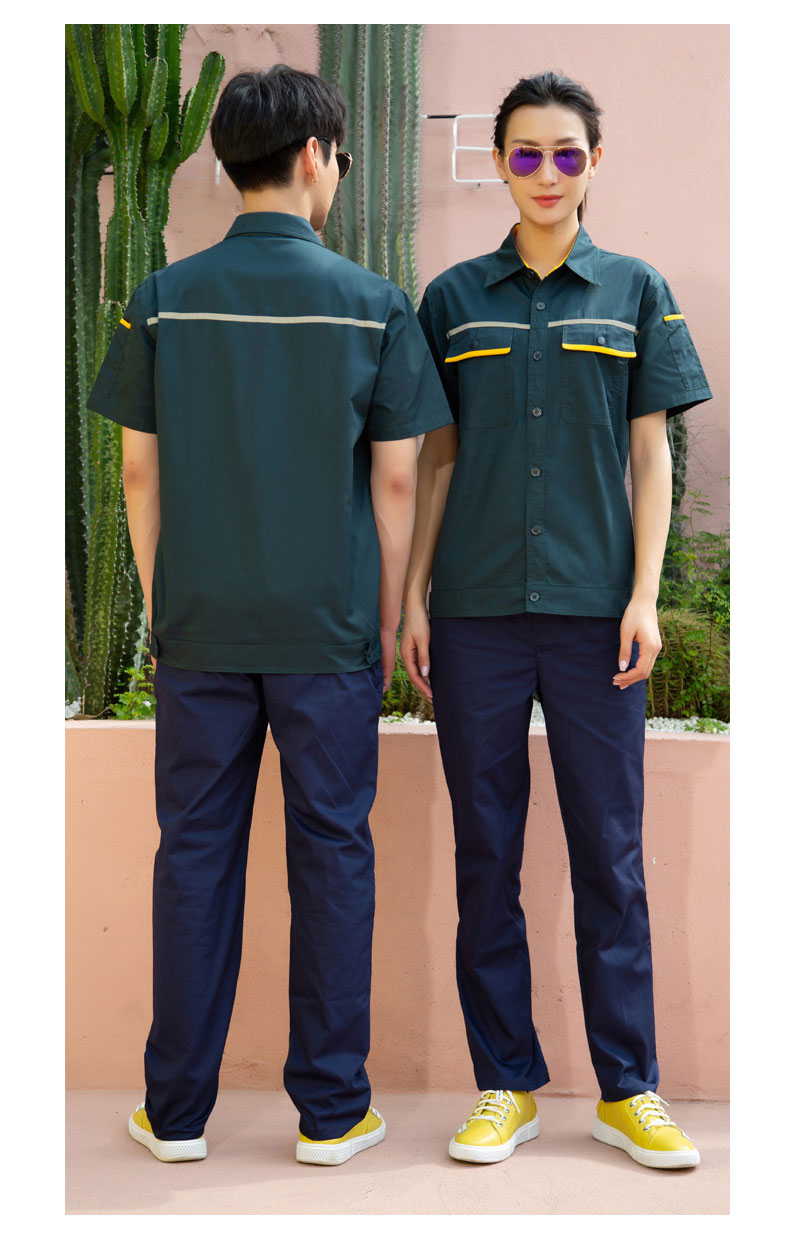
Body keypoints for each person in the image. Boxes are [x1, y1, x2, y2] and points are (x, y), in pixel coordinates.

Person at [86, 63, 453, 1167]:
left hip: (200, 626)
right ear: (313, 157)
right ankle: (332, 1113)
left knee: (194, 855)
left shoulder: (162, 298)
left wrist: (166, 600)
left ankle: (175, 1114)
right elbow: (397, 479)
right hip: (327, 630)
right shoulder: (374, 304)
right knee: (334, 855)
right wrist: (385, 618)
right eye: (339, 158)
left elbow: (137, 475)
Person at [402, 70, 712, 1169]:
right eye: (525, 153)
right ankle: (506, 1084)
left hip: (594, 619)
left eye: (565, 153)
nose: (545, 172)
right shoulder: (452, 299)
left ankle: (629, 1088)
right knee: (486, 853)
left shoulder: (635, 290)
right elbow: (437, 457)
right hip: (475, 615)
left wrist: (644, 597)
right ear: (498, 163)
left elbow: (650, 455)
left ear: (593, 162)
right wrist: (415, 597)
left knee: (608, 855)